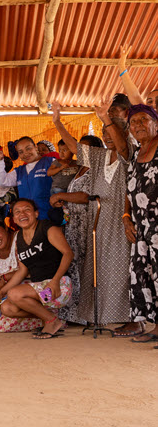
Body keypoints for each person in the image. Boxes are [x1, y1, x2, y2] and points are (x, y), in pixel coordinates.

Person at [52, 100, 133, 333]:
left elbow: (123, 148)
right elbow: (76, 148)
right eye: (104, 133)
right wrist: (58, 123)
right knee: (99, 267)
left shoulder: (130, 154)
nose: (108, 136)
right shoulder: (99, 157)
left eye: (113, 132)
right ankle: (101, 315)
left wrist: (105, 119)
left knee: (122, 267)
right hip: (98, 218)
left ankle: (129, 316)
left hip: (121, 218)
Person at [0, 198, 74, 339]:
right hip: (40, 289)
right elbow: (22, 271)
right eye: (17, 212)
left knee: (15, 294)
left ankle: (52, 321)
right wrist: (3, 290)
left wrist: (55, 281)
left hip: (59, 286)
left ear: (36, 213)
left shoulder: (47, 228)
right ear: (13, 218)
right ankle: (49, 317)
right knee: (7, 308)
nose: (22, 214)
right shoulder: (19, 237)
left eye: (27, 210)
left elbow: (68, 253)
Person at [49, 135, 104, 325]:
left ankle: (88, 314)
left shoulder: (96, 170)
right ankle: (75, 313)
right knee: (74, 266)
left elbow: (85, 196)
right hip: (73, 224)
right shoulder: (79, 169)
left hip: (87, 225)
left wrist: (63, 195)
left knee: (87, 268)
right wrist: (63, 201)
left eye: (88, 149)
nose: (83, 152)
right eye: (81, 148)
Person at [120, 104, 158, 344]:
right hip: (139, 226)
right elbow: (129, 189)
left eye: (144, 120)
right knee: (143, 275)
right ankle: (155, 326)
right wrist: (126, 218)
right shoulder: (136, 153)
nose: (138, 126)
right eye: (134, 122)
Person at [0, 136, 55, 220]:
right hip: (28, 221)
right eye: (21, 152)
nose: (25, 154)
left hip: (49, 218)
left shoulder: (51, 162)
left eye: (28, 149)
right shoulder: (19, 171)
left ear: (36, 147)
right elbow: (3, 181)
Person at [116, 43, 158, 108]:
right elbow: (134, 96)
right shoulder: (146, 113)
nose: (154, 104)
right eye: (150, 102)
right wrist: (121, 66)